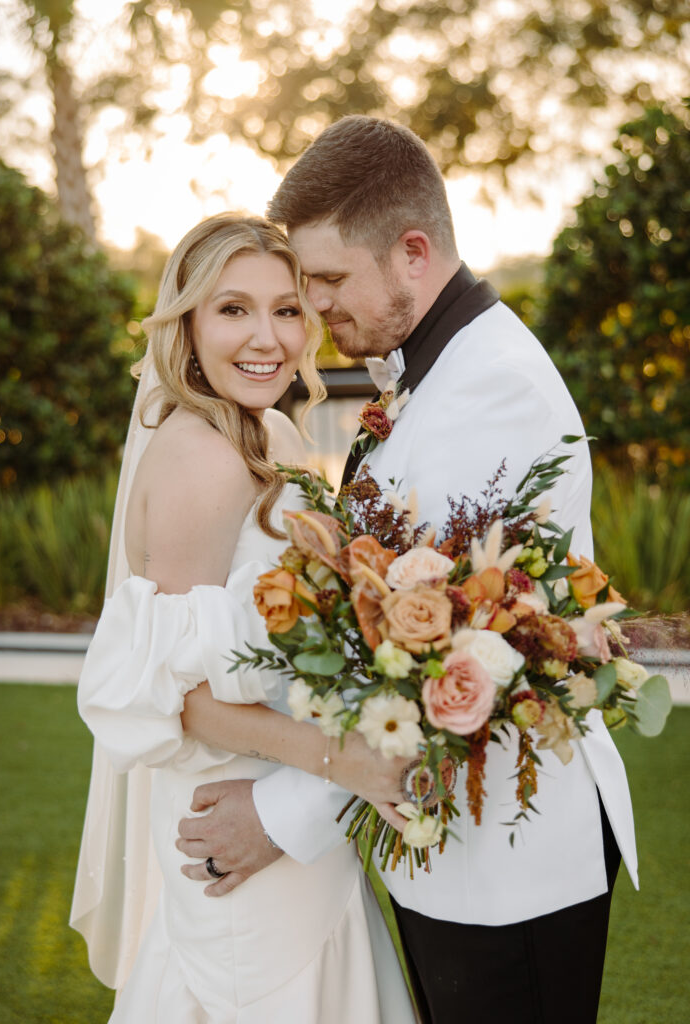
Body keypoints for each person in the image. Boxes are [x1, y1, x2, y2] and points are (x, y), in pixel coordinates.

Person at [176, 119, 638, 1024]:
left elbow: (454, 660)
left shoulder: (489, 387)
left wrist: (278, 817)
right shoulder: (434, 370)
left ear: (413, 252)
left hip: (512, 859)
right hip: (444, 840)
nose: (313, 308)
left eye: (330, 280)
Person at [72, 212, 418, 1023]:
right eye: (233, 309)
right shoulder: (198, 457)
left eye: (287, 309)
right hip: (231, 826)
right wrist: (347, 762)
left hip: (290, 822)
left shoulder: (270, 436)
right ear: (187, 324)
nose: (266, 337)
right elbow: (174, 696)